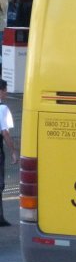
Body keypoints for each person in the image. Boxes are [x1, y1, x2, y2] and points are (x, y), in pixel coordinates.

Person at [0, 79, 17, 226]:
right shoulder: (2, 109)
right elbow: (5, 133)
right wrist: (13, 151)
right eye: (5, 90)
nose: (6, 93)